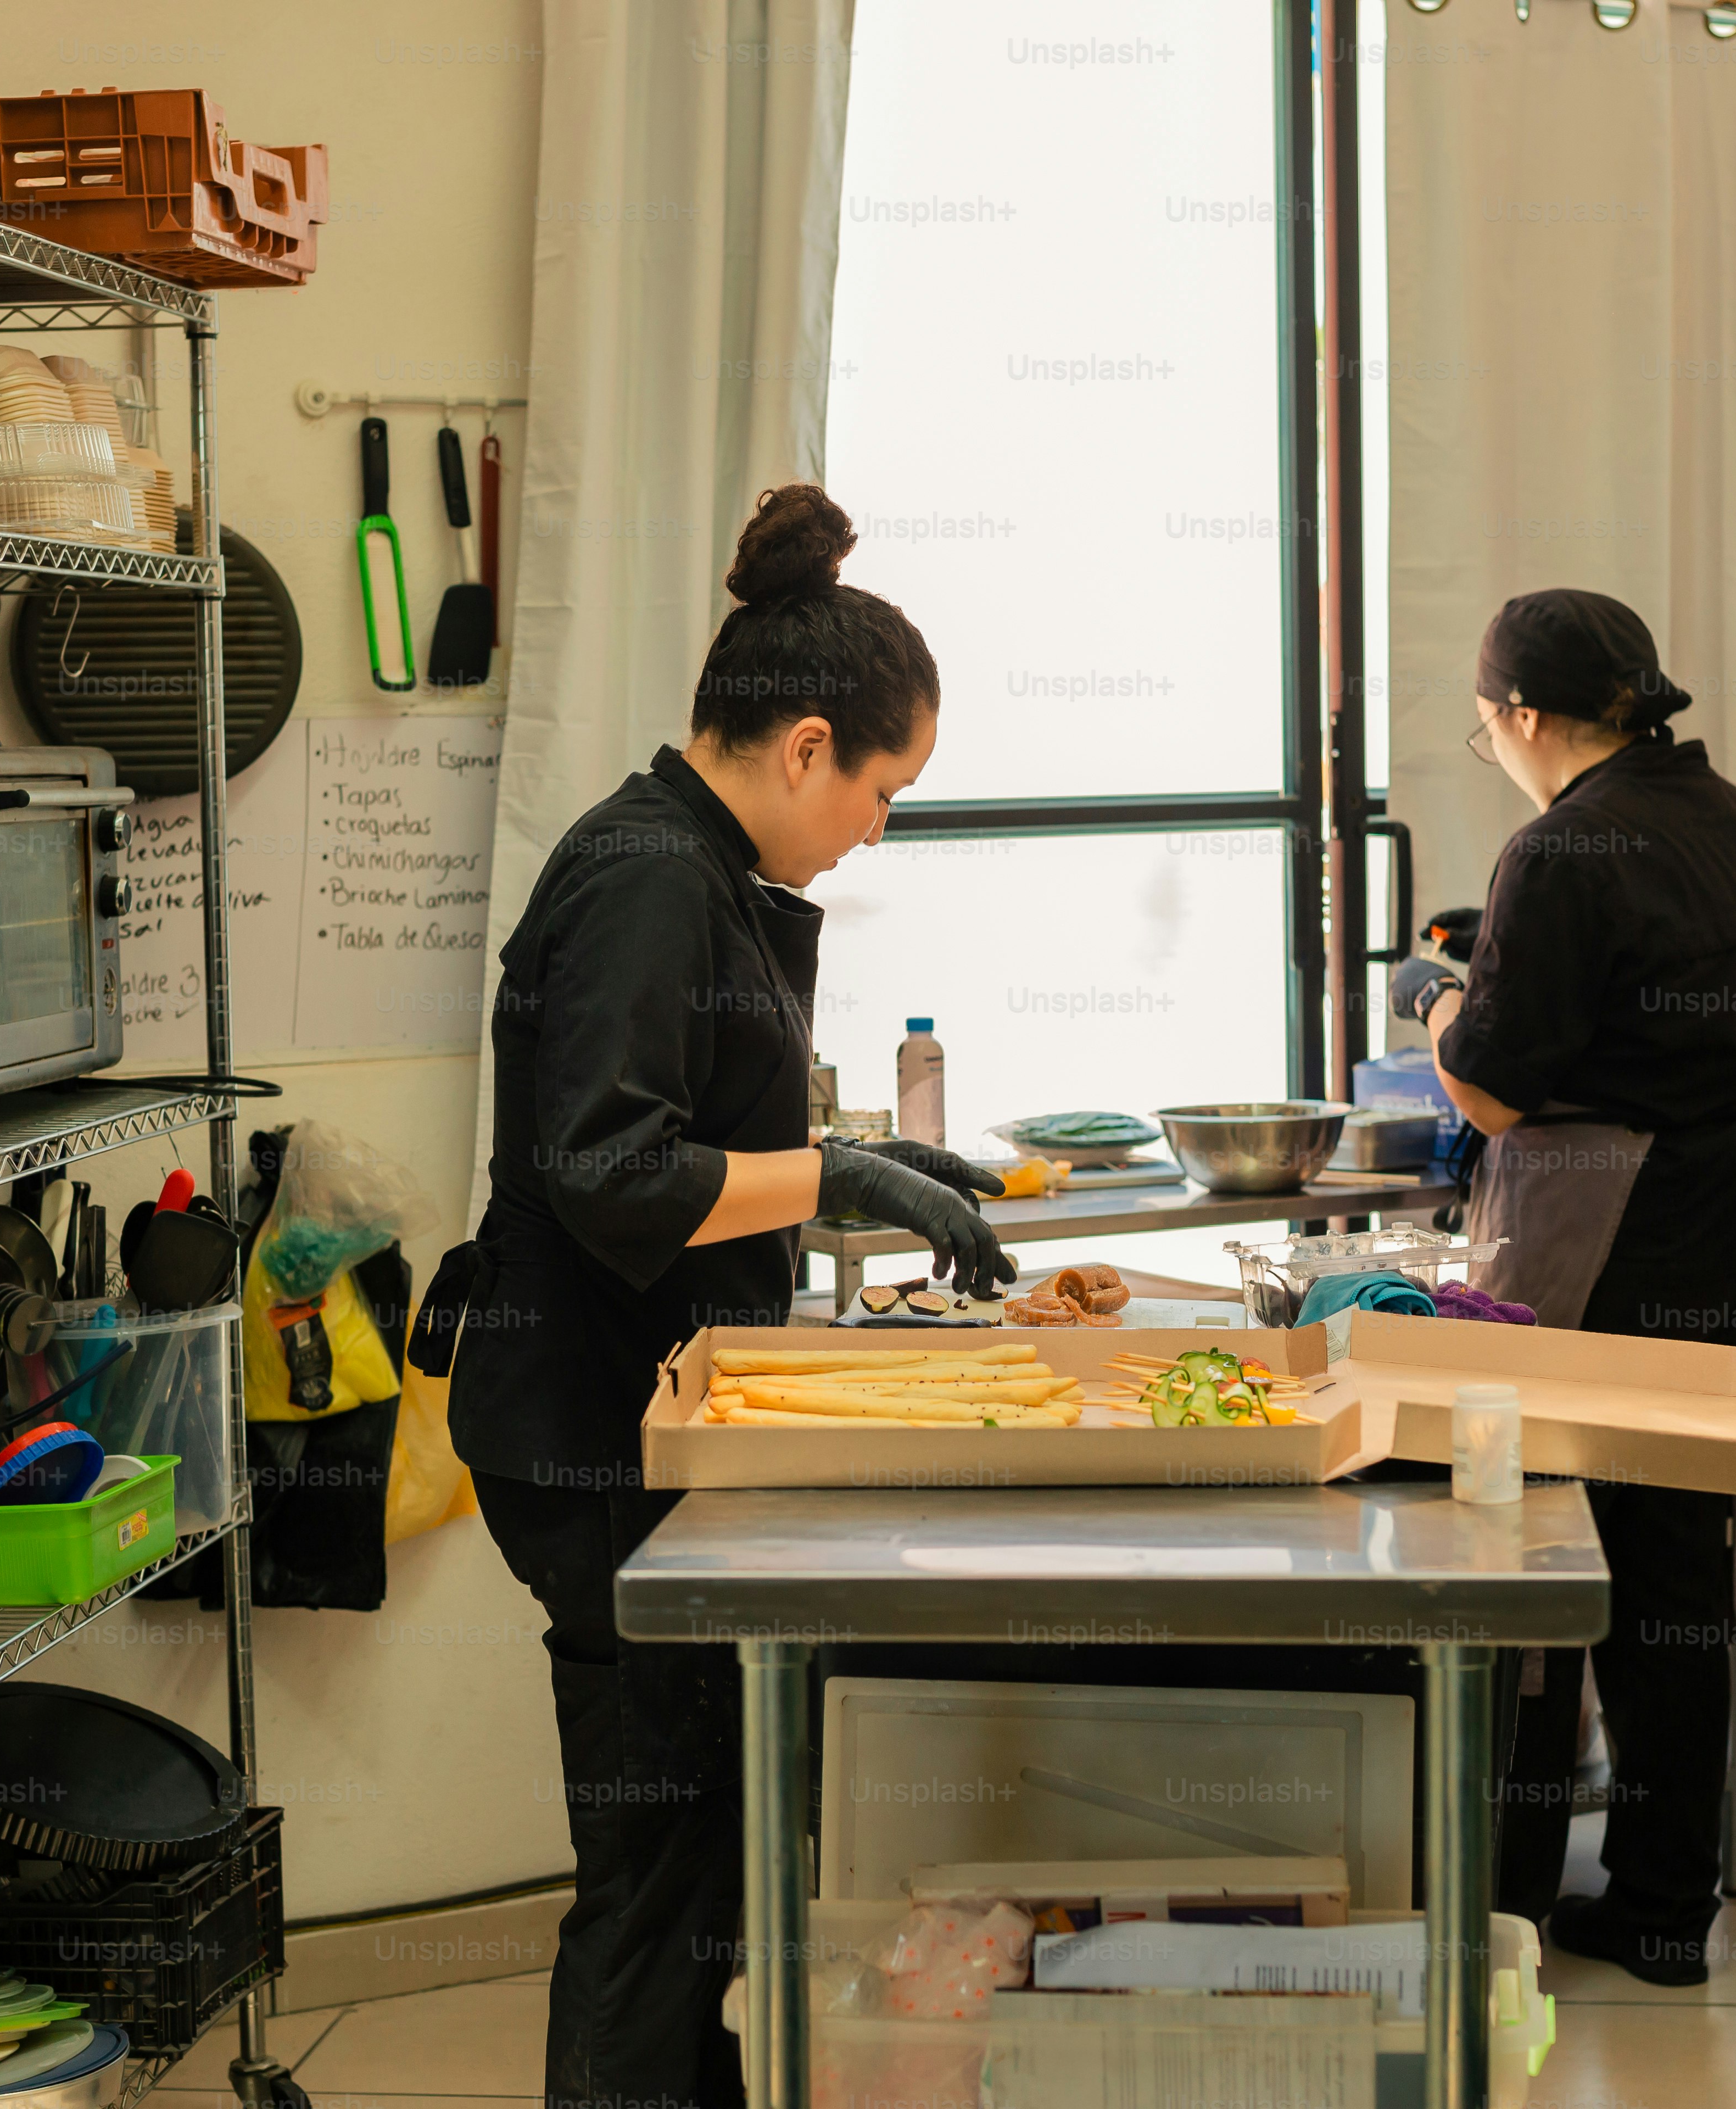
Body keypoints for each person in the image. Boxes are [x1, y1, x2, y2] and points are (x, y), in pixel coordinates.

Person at [437, 486, 1019, 2109]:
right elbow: (613, 1170)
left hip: (646, 1419)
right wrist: (837, 1180)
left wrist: (840, 1153)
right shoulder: (646, 877)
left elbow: (699, 1122)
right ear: (808, 745)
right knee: (659, 1880)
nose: (878, 828)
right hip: (591, 1431)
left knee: (699, 1864)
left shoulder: (689, 859)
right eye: (886, 791)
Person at [1387, 587, 1736, 1986]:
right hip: (1730, 1220)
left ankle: (1556, 1895)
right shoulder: (1733, 816)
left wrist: (1434, 996)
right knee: (1677, 1561)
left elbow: (1494, 1092)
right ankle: (1666, 1892)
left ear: (1519, 717)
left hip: (1608, 1234)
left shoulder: (1559, 851)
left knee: (1557, 1562)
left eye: (1485, 727)